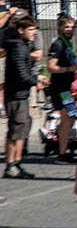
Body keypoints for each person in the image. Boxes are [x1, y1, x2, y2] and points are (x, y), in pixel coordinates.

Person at [3, 16, 38, 179]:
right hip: (16, 96)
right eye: (30, 30)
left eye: (34, 29)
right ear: (21, 30)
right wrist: (37, 81)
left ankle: (17, 163)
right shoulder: (18, 47)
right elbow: (21, 75)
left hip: (21, 95)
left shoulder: (23, 46)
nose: (34, 33)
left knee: (21, 130)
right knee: (15, 132)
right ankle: (11, 165)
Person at [48, 14, 77, 161]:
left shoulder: (67, 44)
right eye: (66, 27)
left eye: (71, 27)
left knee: (70, 117)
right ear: (60, 27)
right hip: (60, 88)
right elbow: (51, 66)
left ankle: (63, 148)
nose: (69, 30)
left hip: (67, 89)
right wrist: (69, 69)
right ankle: (61, 151)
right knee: (68, 117)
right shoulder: (58, 44)